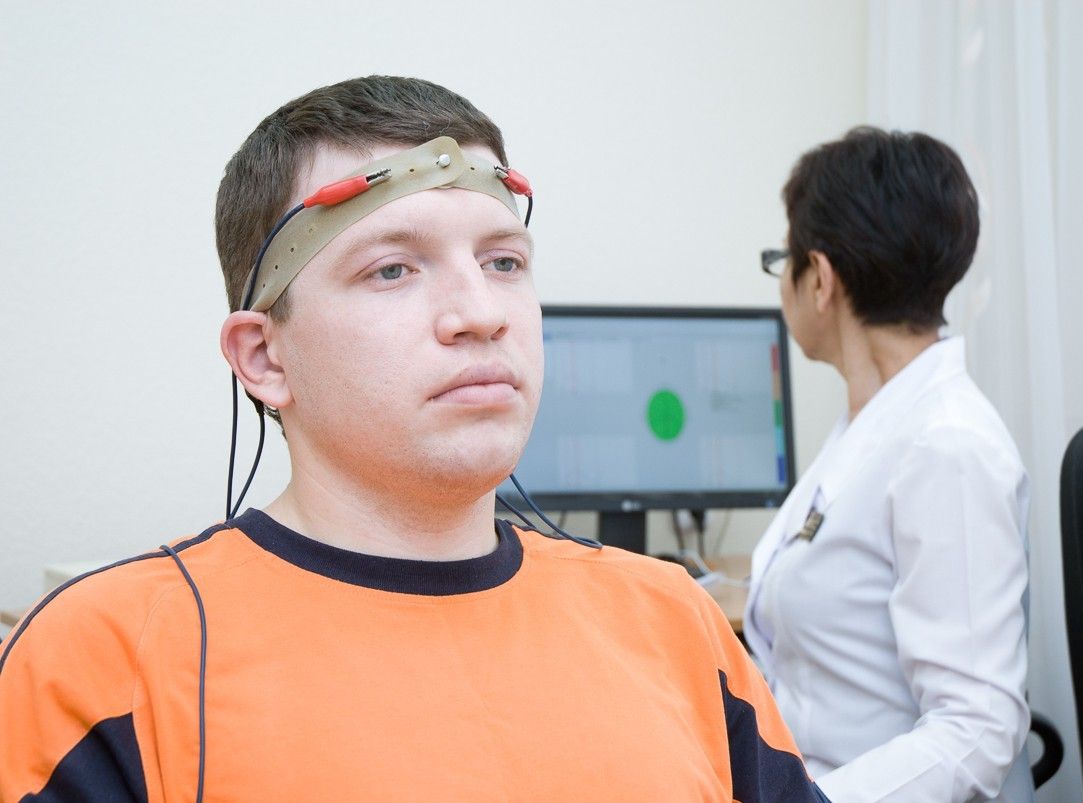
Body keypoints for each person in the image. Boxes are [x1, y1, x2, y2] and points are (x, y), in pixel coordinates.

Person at [0, 76, 829, 802]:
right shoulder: (102, 663)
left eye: (504, 263)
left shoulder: (675, 621)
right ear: (265, 357)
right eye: (392, 269)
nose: (482, 313)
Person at [746, 127, 1032, 802]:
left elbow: (979, 728)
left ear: (820, 279)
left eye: (783, 260)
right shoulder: (875, 427)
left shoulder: (947, 448)